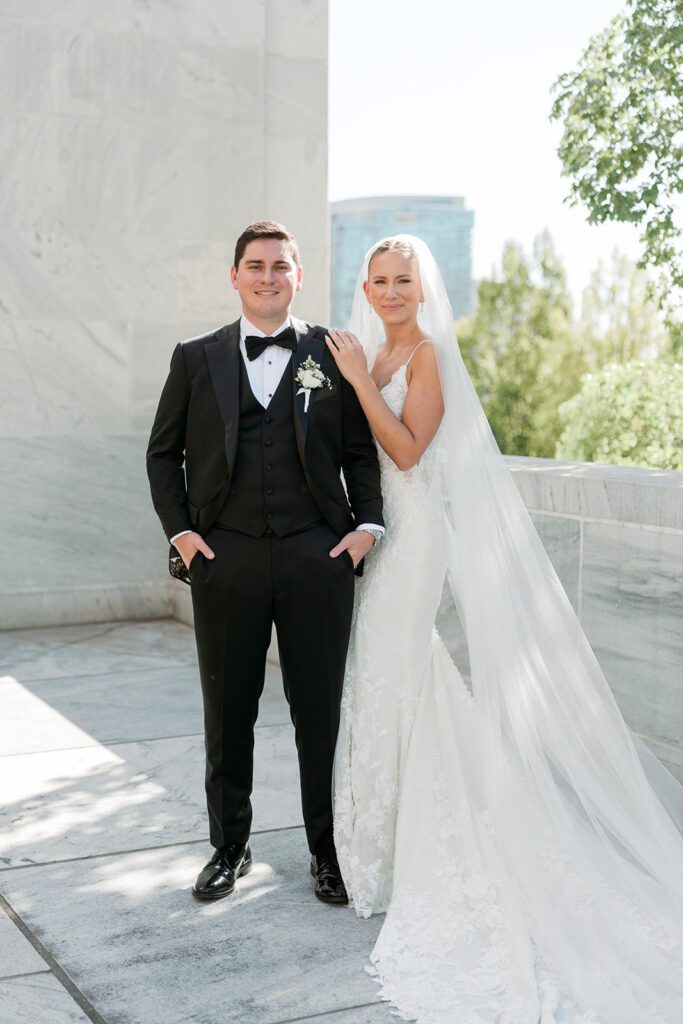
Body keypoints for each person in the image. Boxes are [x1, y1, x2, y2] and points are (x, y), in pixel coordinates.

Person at [328, 235, 683, 1023]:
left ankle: (417, 852)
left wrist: (355, 381)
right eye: (379, 280)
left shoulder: (423, 356)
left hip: (413, 541)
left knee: (395, 672)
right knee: (393, 677)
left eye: (404, 281)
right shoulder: (375, 353)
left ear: (424, 288)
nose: (390, 292)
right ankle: (380, 843)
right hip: (375, 542)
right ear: (365, 285)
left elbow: (410, 454)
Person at [146, 221, 384, 905]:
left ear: (298, 277)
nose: (267, 275)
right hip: (227, 558)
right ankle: (229, 848)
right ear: (234, 276)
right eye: (255, 265)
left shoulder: (331, 353)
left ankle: (327, 852)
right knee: (227, 711)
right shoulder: (195, 358)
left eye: (281, 265)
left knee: (319, 714)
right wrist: (183, 535)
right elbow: (163, 455)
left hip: (318, 557)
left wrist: (364, 528)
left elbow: (359, 452)